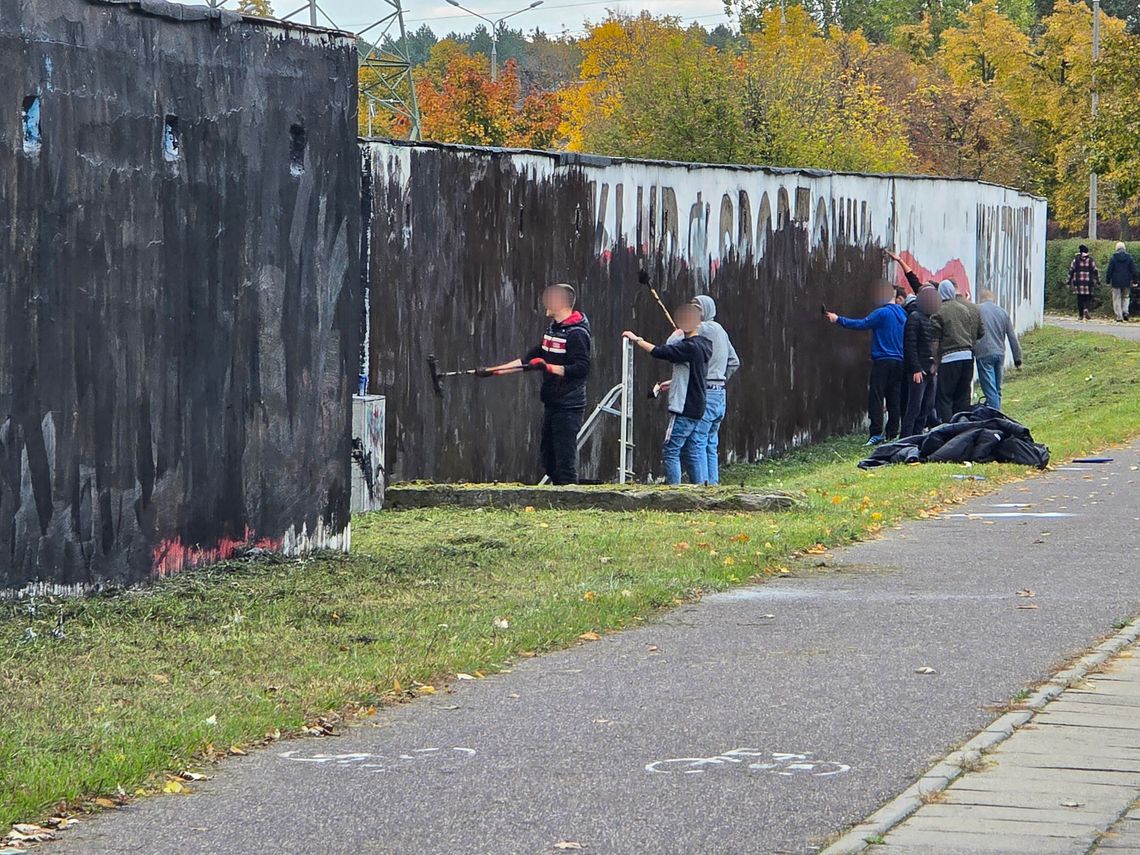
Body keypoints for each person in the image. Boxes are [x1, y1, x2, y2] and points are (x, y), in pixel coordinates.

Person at [485, 284, 591, 485]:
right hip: (552, 402)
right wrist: (494, 371)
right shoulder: (553, 329)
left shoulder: (577, 333)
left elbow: (581, 368)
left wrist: (548, 367)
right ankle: (560, 496)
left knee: (564, 458)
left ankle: (570, 500)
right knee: (548, 458)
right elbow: (530, 360)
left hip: (569, 404)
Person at [624, 303, 712, 485]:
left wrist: (637, 339)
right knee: (691, 450)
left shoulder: (689, 347)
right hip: (697, 405)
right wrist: (672, 383)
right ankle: (701, 488)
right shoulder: (703, 345)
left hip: (684, 407)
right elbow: (693, 374)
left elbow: (660, 351)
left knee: (671, 449)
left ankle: (674, 491)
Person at [659, 296, 740, 486]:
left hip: (706, 395)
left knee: (696, 443)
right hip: (719, 394)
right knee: (710, 444)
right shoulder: (721, 331)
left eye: (696, 308)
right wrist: (718, 378)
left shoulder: (704, 328)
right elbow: (734, 362)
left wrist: (680, 331)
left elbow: (671, 344)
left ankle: (702, 489)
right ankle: (713, 485)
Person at [825, 286, 908, 445]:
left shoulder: (882, 313)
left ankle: (876, 433)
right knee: (894, 398)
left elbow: (862, 324)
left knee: (876, 397)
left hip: (882, 360)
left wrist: (837, 319)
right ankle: (892, 433)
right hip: (899, 361)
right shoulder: (903, 315)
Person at [930, 280, 984, 424]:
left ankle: (949, 428)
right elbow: (978, 332)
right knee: (963, 395)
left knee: (945, 397)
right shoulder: (964, 309)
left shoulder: (937, 311)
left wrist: (936, 361)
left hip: (949, 358)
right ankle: (963, 427)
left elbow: (935, 340)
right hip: (967, 356)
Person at [901, 284, 940, 437]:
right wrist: (916, 368)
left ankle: (917, 435)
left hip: (930, 370)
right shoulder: (915, 317)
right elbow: (909, 345)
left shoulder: (932, 318)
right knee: (914, 406)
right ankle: (906, 437)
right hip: (919, 370)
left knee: (927, 406)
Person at [973, 291, 1022, 411]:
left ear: (981, 299)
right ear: (993, 299)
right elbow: (1012, 337)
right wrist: (1017, 359)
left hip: (984, 353)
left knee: (990, 391)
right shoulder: (1002, 312)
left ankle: (995, 416)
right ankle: (998, 414)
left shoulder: (977, 310)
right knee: (997, 389)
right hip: (1000, 353)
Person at [1105, 241, 1137, 322]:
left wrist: (1108, 280)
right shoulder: (1129, 258)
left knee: (1116, 298)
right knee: (1126, 297)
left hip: (1116, 282)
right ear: (1124, 248)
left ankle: (1119, 316)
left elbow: (1109, 271)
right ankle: (1125, 312)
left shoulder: (1113, 258)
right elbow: (1134, 270)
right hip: (1126, 281)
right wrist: (1135, 281)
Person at [1068, 244, 1100, 321]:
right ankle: (1086, 308)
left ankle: (1080, 315)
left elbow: (1071, 270)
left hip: (1078, 282)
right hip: (1088, 282)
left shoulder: (1076, 259)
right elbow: (1095, 270)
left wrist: (1068, 280)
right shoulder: (1090, 260)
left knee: (1080, 299)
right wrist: (1098, 280)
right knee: (1088, 297)